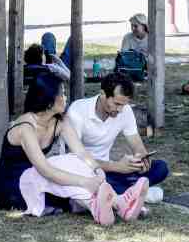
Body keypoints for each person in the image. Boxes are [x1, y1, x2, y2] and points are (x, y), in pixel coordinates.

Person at [0, 73, 148, 224]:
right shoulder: (25, 128)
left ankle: (115, 203)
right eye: (62, 93)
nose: (66, 97)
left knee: (75, 159)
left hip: (39, 183)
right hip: (15, 190)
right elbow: (44, 169)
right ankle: (109, 203)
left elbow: (81, 152)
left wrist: (98, 171)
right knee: (63, 163)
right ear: (48, 99)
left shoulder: (60, 122)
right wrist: (85, 181)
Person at [66, 72, 169, 204]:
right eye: (116, 104)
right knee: (102, 181)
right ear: (103, 94)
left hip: (110, 170)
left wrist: (141, 160)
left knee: (161, 167)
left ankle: (127, 191)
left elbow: (137, 144)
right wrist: (117, 166)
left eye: (124, 105)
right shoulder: (78, 110)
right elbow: (74, 158)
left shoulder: (125, 110)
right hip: (83, 171)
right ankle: (133, 192)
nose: (120, 110)